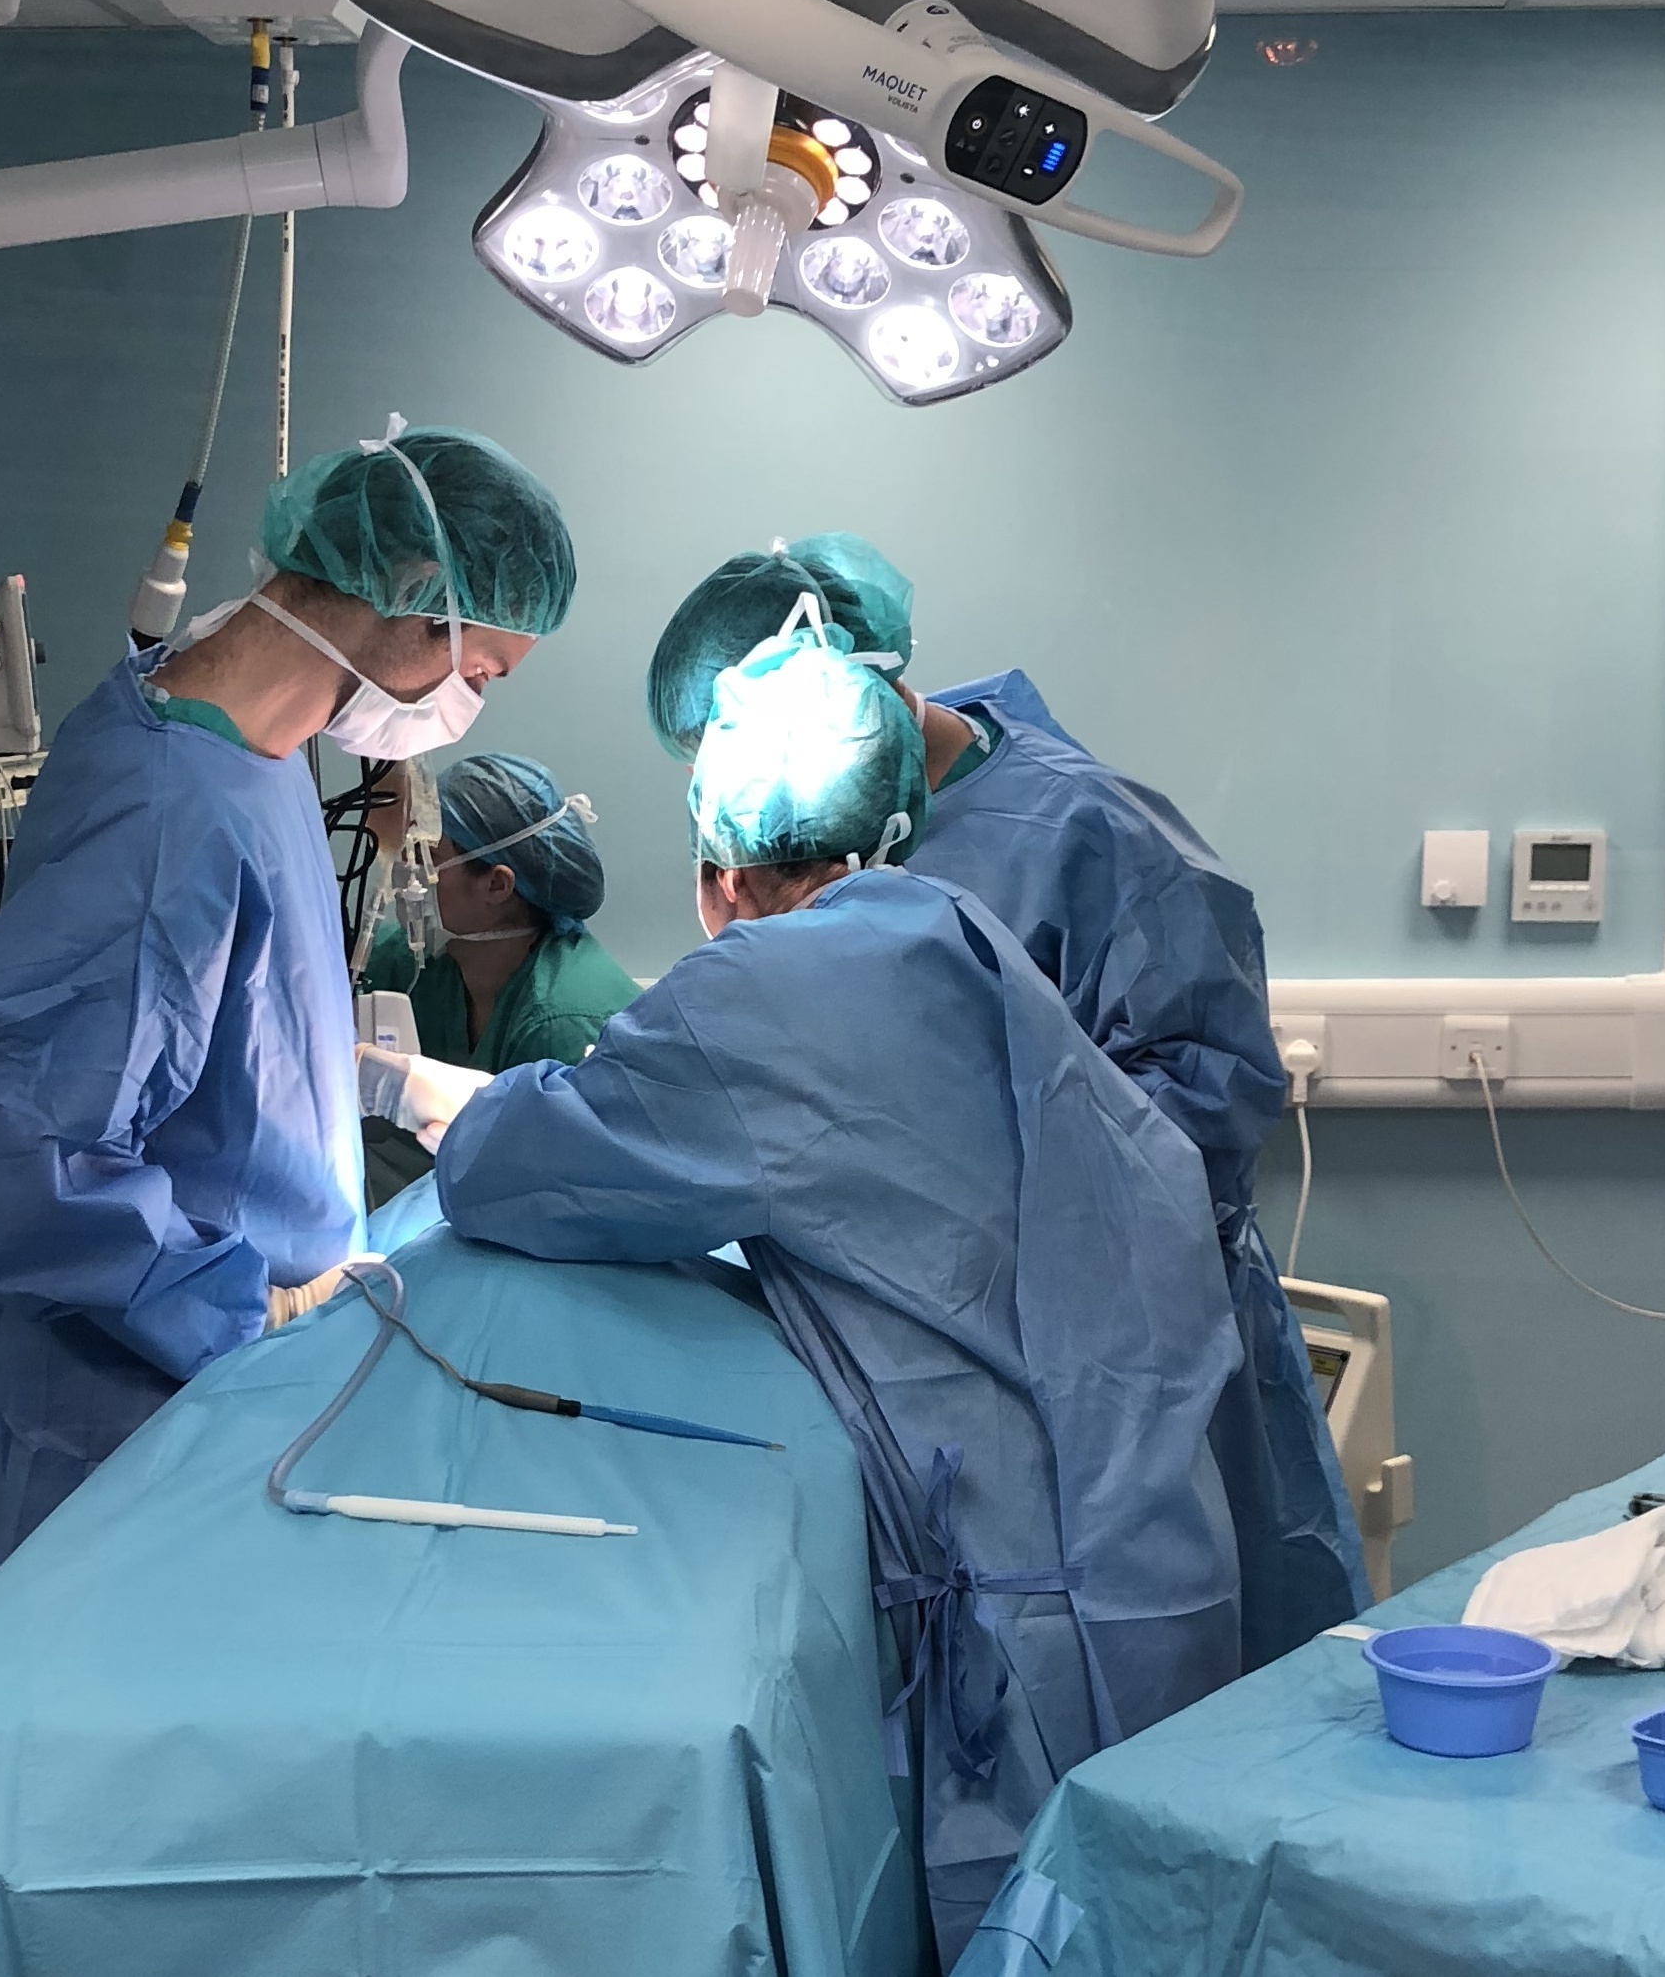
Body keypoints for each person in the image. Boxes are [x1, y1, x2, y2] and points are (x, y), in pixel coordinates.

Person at [390, 624, 1242, 1966]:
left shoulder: (765, 993)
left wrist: (445, 1102)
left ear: (716, 870)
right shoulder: (947, 926)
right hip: (1151, 1552)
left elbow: (524, 1171)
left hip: (1026, 1618)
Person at [647, 537, 1368, 1663]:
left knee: (1165, 1695)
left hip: (1120, 1348)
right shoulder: (808, 835)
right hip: (932, 1360)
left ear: (860, 681)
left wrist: (957, 1184)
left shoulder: (1087, 832)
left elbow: (1200, 1120)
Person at [0, 422, 574, 1619]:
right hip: (125, 1419)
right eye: (483, 669)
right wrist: (245, 1306)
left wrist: (371, 1077)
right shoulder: (169, 810)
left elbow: (192, 1016)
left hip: (210, 1394)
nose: (467, 703)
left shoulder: (248, 749)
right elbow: (25, 1152)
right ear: (418, 597)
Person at [359, 753, 639, 1070]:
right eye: (409, 850)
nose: (406, 870)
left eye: (427, 856)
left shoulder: (564, 1023)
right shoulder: (416, 965)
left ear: (497, 885)